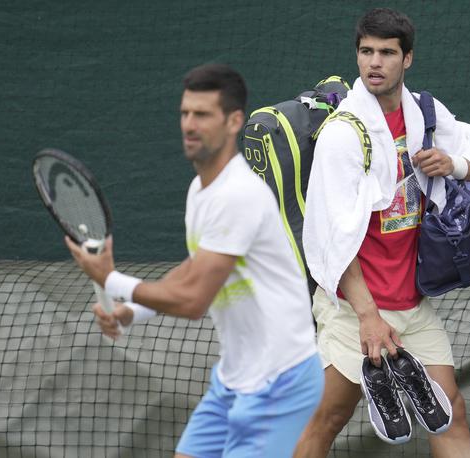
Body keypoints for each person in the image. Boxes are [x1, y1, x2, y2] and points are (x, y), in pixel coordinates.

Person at [65, 63, 324, 458]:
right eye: (185, 113)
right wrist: (132, 309)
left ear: (234, 121)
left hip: (279, 383)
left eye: (202, 115)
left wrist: (111, 279)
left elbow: (194, 300)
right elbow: (193, 270)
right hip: (233, 379)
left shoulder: (238, 196)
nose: (189, 124)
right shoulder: (199, 191)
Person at [294, 8, 470, 458]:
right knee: (327, 419)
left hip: (412, 306)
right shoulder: (343, 134)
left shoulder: (425, 112)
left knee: (450, 412)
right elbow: (329, 236)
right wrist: (367, 317)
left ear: (407, 59)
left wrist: (454, 164)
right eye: (366, 52)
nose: (374, 63)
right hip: (355, 309)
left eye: (386, 53)